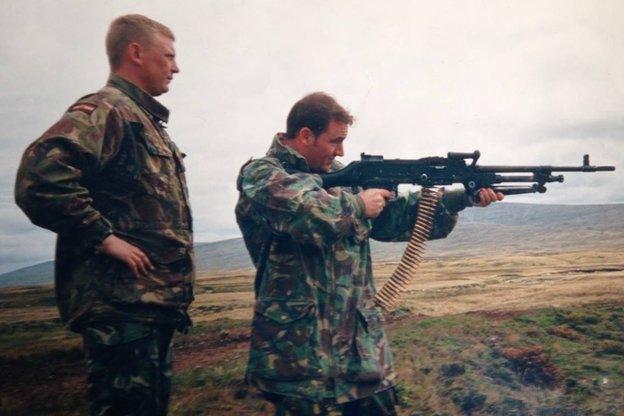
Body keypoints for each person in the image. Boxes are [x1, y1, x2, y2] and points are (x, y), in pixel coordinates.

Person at [235, 92, 502, 415]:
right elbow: (306, 212)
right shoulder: (261, 175)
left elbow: (394, 218)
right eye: (335, 141)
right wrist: (360, 205)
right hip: (297, 356)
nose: (341, 151)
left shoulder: (342, 176)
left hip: (360, 353)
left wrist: (462, 198)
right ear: (306, 135)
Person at [15, 14, 193, 416]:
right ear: (136, 53)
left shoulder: (142, 119)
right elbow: (39, 177)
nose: (176, 67)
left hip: (147, 306)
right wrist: (104, 237)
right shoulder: (107, 110)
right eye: (168, 56)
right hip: (121, 304)